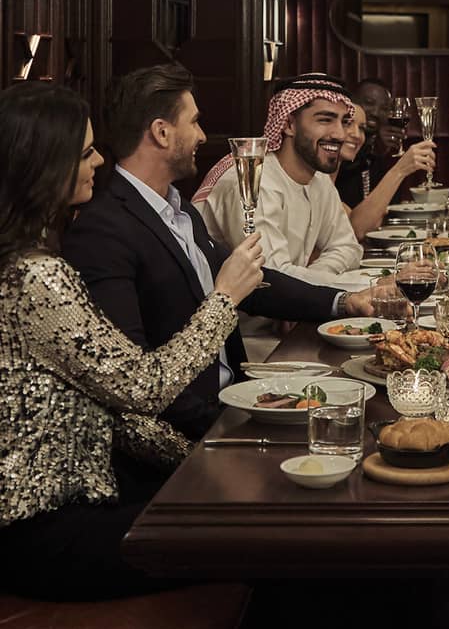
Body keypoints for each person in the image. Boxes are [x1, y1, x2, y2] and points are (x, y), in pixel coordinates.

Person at [0, 83, 263, 600]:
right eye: (84, 152)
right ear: (42, 168)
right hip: (43, 528)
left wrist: (207, 456)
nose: (99, 159)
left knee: (256, 510)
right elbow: (144, 387)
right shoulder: (34, 277)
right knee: (262, 538)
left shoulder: (30, 261)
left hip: (77, 501)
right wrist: (225, 298)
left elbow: (117, 409)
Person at [62, 64, 374, 441]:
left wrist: (344, 302)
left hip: (233, 397)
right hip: (192, 430)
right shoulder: (103, 230)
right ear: (162, 133)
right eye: (194, 123)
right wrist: (229, 425)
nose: (202, 135)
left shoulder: (179, 211)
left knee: (356, 404)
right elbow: (133, 383)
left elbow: (257, 281)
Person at [195, 73, 363, 282]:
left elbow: (348, 248)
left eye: (344, 122)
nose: (339, 134)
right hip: (234, 313)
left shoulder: (319, 179)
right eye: (325, 120)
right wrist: (353, 287)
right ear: (289, 124)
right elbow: (273, 277)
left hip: (292, 308)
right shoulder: (251, 179)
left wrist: (317, 276)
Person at [333, 103, 435, 240]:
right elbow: (356, 230)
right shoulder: (316, 179)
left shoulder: (329, 184)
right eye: (347, 123)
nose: (357, 135)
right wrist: (400, 170)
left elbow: (361, 223)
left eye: (362, 128)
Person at [353, 76, 397, 156]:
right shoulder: (340, 136)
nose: (375, 113)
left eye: (384, 108)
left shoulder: (384, 141)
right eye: (369, 103)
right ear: (352, 101)